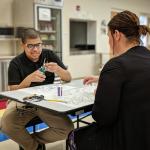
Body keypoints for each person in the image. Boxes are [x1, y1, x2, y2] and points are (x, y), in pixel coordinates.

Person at [70, 10, 150, 150]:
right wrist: (102, 78)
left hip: (124, 140)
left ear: (117, 35)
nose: (108, 41)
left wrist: (100, 97)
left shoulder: (115, 65)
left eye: (108, 36)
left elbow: (102, 118)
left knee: (75, 136)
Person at [0, 28, 74, 150]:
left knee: (67, 129)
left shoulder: (49, 55)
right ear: (23, 45)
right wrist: (28, 79)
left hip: (46, 102)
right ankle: (34, 147)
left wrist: (58, 70)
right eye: (30, 46)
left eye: (38, 45)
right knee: (6, 125)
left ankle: (32, 143)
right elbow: (12, 90)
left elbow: (68, 78)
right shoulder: (16, 63)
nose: (35, 49)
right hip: (22, 102)